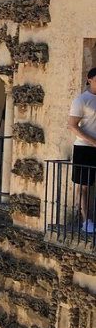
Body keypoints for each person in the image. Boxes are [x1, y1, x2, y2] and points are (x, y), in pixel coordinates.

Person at [69, 67, 96, 233]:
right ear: (89, 79)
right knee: (83, 186)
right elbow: (72, 126)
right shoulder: (81, 100)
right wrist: (93, 142)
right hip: (84, 148)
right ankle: (86, 221)